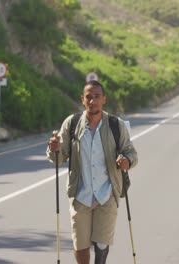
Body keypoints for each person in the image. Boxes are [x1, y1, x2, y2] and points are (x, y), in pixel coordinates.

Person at [47, 80, 138, 264]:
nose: (92, 101)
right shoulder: (72, 124)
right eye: (88, 97)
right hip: (81, 195)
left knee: (102, 246)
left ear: (103, 99)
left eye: (97, 97)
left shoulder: (115, 125)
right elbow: (58, 158)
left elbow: (131, 152)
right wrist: (54, 149)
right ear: (82, 99)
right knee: (81, 249)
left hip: (107, 195)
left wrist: (126, 161)